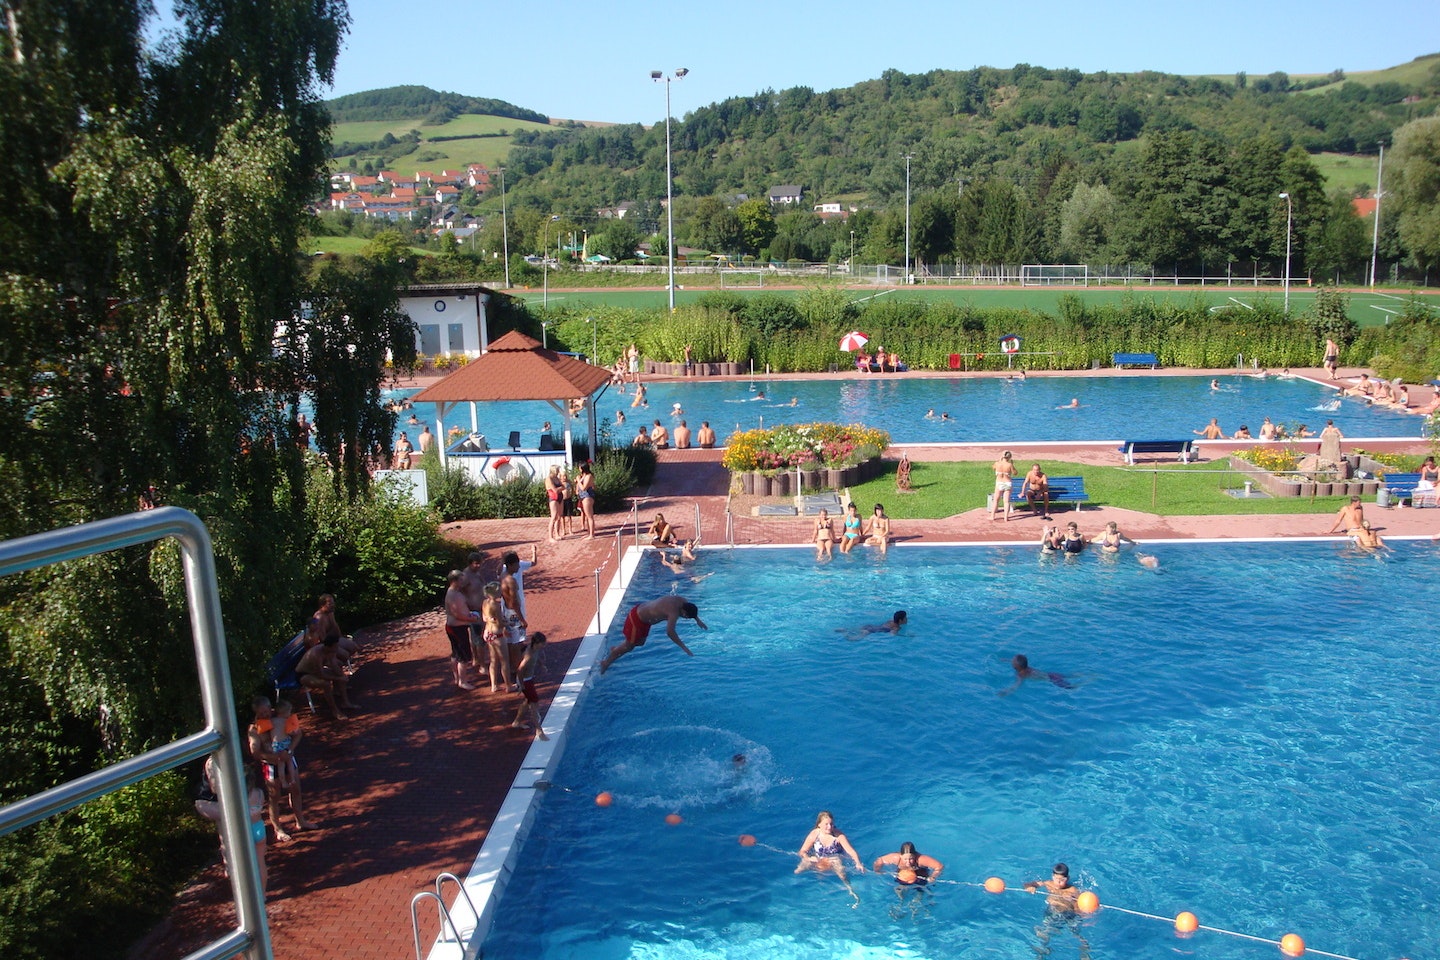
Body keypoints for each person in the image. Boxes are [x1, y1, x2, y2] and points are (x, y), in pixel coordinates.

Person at [195, 757, 268, 894]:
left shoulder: (236, 799)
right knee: (260, 863)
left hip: (244, 831)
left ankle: (246, 896)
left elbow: (218, 795)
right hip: (258, 828)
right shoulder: (259, 793)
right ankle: (262, 894)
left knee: (241, 866)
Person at [599, 596, 707, 673]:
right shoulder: (673, 612)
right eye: (686, 617)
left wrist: (698, 620)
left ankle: (617, 649)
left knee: (640, 642)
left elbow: (691, 611)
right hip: (636, 618)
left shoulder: (683, 601)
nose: (685, 618)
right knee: (629, 646)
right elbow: (670, 632)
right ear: (683, 612)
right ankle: (606, 662)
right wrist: (684, 648)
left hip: (645, 619)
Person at [1024, 863, 1093, 960]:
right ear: (1053, 877)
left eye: (1062, 880)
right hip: (1053, 912)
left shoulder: (1072, 890)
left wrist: (1074, 903)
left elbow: (1079, 906)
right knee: (1044, 933)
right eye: (1056, 879)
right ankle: (1041, 953)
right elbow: (1028, 884)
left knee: (1077, 934)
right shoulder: (1049, 884)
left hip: (1069, 914)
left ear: (1067, 878)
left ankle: (1085, 952)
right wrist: (1030, 887)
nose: (1059, 882)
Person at [795, 810, 864, 905]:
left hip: (834, 858)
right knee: (800, 868)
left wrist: (858, 863)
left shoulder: (838, 836)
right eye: (826, 824)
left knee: (841, 872)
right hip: (819, 858)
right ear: (819, 824)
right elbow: (802, 851)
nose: (829, 827)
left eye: (831, 824)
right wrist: (808, 858)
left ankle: (850, 890)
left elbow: (851, 851)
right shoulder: (814, 834)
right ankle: (797, 884)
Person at [296, 632, 356, 718]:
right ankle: (335, 711)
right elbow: (321, 675)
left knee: (340, 674)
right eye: (335, 646)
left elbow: (333, 664)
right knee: (326, 684)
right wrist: (339, 679)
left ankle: (345, 702)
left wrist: (340, 675)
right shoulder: (316, 655)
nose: (337, 648)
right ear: (329, 646)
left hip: (315, 672)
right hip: (304, 675)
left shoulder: (331, 651)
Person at [500, 547, 537, 686]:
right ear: (510, 565)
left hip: (506, 612)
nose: (518, 567)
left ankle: (512, 667)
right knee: (516, 643)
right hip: (514, 615)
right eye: (516, 565)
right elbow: (514, 603)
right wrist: (522, 619)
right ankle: (518, 672)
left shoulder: (502, 575)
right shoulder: (511, 581)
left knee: (510, 642)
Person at [443, 569, 482, 692]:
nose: (462, 582)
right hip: (457, 628)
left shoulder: (454, 592)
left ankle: (458, 678)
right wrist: (472, 619)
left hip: (455, 627)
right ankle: (462, 681)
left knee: (455, 654)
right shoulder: (453, 595)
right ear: (454, 581)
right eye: (460, 580)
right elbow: (457, 615)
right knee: (463, 656)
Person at [510, 632, 550, 740]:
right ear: (537, 643)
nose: (544, 645)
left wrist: (542, 665)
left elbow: (537, 658)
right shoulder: (529, 655)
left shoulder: (535, 649)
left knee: (527, 701)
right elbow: (520, 670)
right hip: (525, 681)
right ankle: (539, 730)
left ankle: (517, 722)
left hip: (528, 679)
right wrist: (521, 685)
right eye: (543, 643)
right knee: (534, 705)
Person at [480, 581, 511, 693]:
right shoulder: (496, 605)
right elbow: (499, 624)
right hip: (498, 634)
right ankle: (508, 685)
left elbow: (484, 618)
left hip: (489, 633)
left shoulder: (485, 603)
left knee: (493, 661)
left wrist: (491, 620)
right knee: (504, 661)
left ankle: (494, 685)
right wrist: (507, 623)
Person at [1001, 655, 1075, 695]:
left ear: (1016, 667)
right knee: (1069, 676)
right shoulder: (1025, 667)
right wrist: (1006, 660)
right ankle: (1079, 674)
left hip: (1052, 680)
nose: (1011, 661)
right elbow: (1019, 662)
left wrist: (1006, 691)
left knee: (1072, 687)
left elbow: (1016, 685)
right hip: (1051, 674)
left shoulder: (1021, 675)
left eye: (1012, 661)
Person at [990, 450, 1016, 522]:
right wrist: (1012, 465)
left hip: (999, 482)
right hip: (1007, 482)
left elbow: (993, 467)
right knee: (1006, 501)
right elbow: (1015, 473)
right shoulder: (1009, 465)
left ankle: (992, 516)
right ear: (1009, 457)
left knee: (996, 500)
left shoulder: (997, 463)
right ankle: (1005, 517)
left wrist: (999, 460)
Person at [575, 462, 597, 538]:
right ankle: (589, 532)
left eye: (579, 468)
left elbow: (584, 488)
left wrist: (578, 481)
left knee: (589, 516)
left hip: (587, 497)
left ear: (583, 468)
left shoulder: (589, 476)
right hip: (583, 496)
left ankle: (592, 535)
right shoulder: (583, 476)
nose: (579, 469)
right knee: (587, 515)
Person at [545, 465, 565, 541]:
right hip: (553, 498)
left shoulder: (557, 478)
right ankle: (550, 537)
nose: (558, 472)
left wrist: (560, 488)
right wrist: (561, 488)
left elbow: (563, 487)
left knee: (559, 517)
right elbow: (555, 490)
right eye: (557, 470)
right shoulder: (549, 479)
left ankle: (557, 534)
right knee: (553, 517)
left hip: (560, 497)